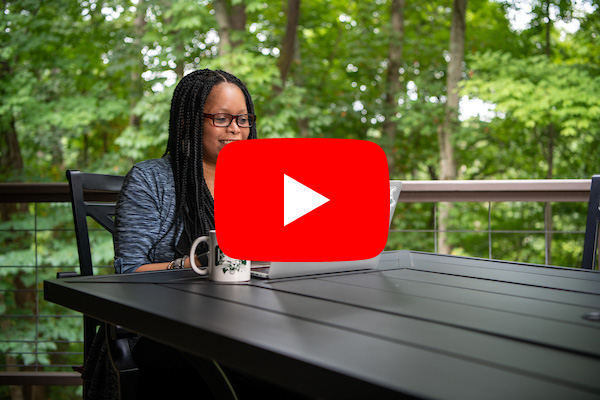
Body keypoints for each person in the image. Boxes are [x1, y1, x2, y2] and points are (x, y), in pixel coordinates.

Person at [83, 69, 301, 399]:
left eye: (243, 119)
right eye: (222, 118)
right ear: (189, 122)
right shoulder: (150, 180)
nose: (235, 129)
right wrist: (199, 262)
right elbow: (128, 274)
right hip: (162, 329)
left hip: (246, 320)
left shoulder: (256, 181)